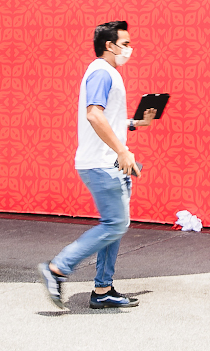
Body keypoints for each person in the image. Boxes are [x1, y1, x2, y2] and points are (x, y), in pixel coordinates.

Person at [38, 20, 157, 310]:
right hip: (102, 164)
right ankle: (57, 268)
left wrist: (135, 123)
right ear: (110, 45)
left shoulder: (108, 73)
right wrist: (122, 150)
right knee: (115, 223)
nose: (130, 49)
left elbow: (109, 119)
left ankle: (103, 290)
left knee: (113, 225)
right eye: (125, 44)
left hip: (108, 164)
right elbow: (94, 115)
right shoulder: (102, 72)